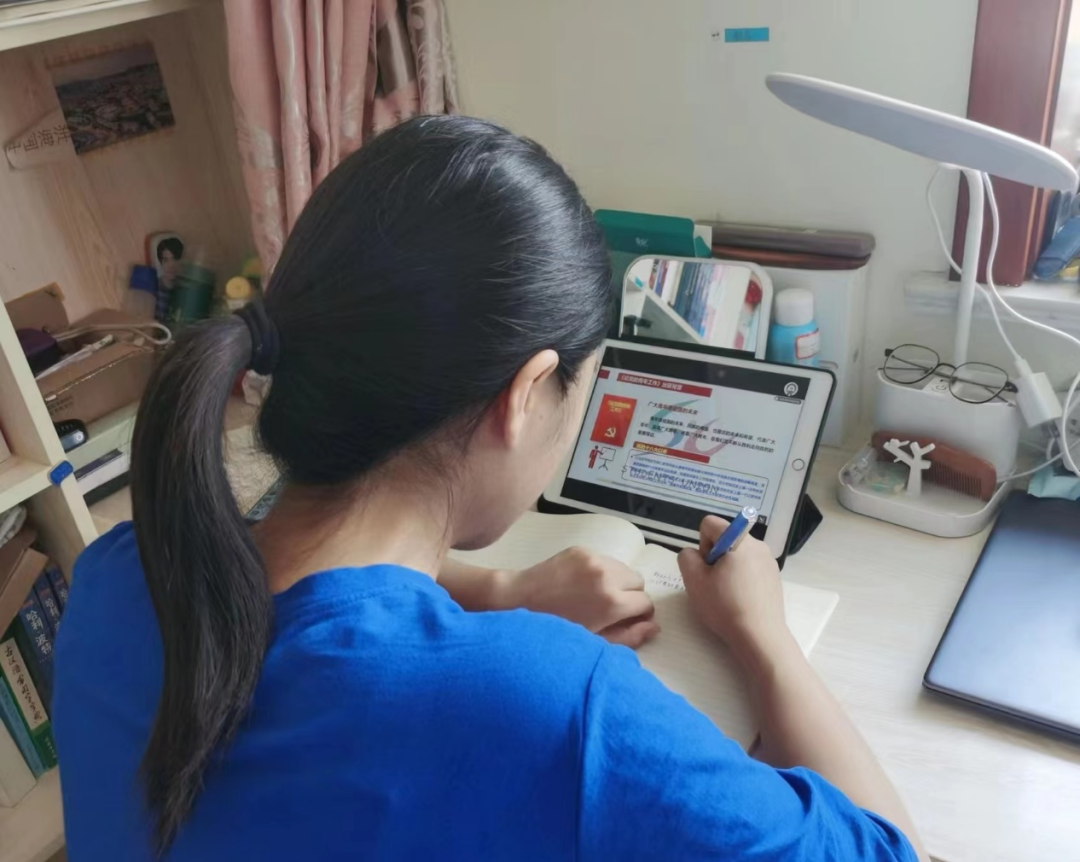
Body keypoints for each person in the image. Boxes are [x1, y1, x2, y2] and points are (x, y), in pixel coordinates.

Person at [53, 116, 926, 862]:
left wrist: (503, 589)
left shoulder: (115, 577)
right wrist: (766, 636)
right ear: (525, 393)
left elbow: (311, 582)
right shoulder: (547, 703)